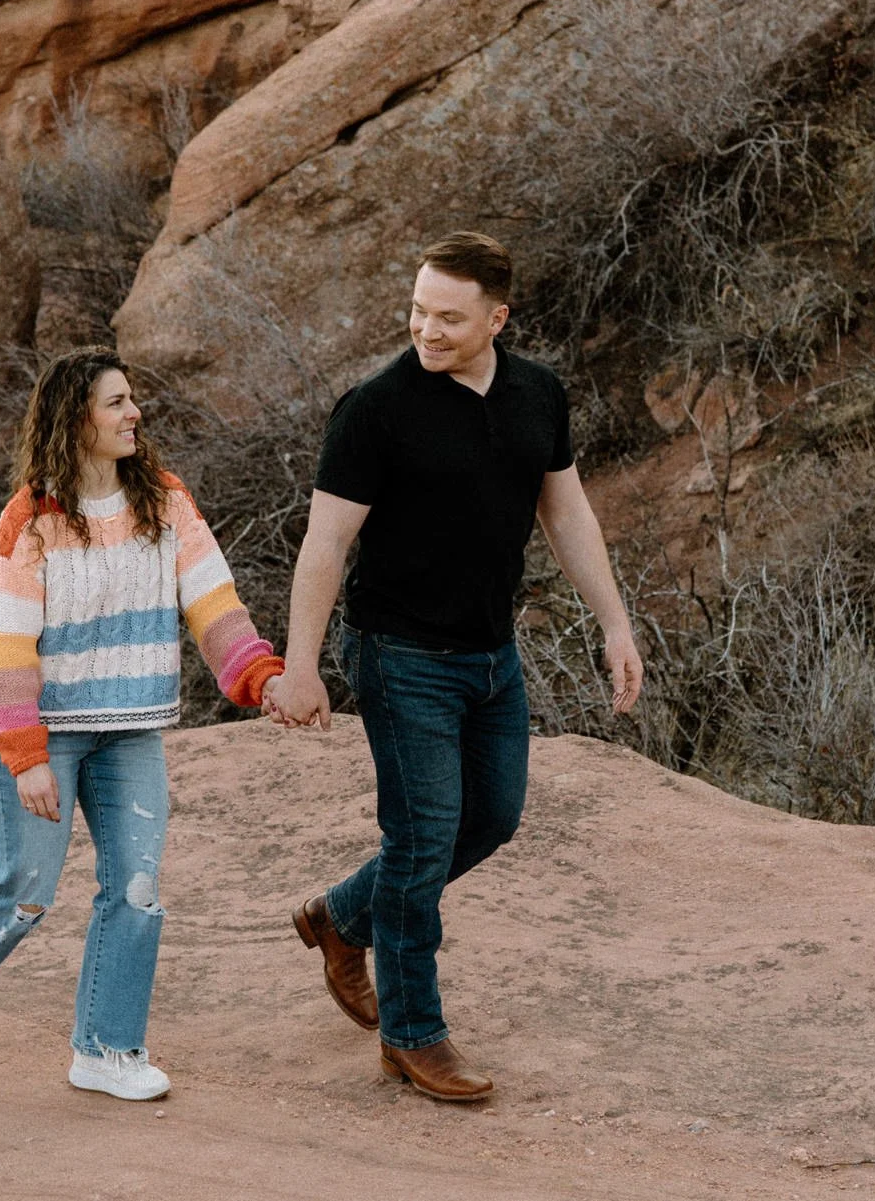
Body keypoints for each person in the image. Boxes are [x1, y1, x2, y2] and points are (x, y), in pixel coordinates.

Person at [264, 232, 643, 1102]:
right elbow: (325, 543)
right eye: (417, 311)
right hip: (400, 655)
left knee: (494, 817)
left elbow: (568, 513)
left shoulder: (538, 393)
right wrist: (304, 666)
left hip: (490, 655)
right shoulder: (377, 408)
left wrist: (616, 626)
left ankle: (341, 917)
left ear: (496, 318)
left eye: (447, 317)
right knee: (423, 835)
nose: (425, 330)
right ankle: (413, 1033)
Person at [0, 347, 284, 1100]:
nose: (135, 414)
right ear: (76, 419)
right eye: (116, 402)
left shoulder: (164, 500)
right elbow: (5, 642)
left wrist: (261, 675)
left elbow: (214, 602)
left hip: (129, 728)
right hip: (45, 731)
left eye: (132, 400)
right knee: (25, 888)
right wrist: (26, 752)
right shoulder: (29, 520)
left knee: (136, 886)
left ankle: (106, 1049)